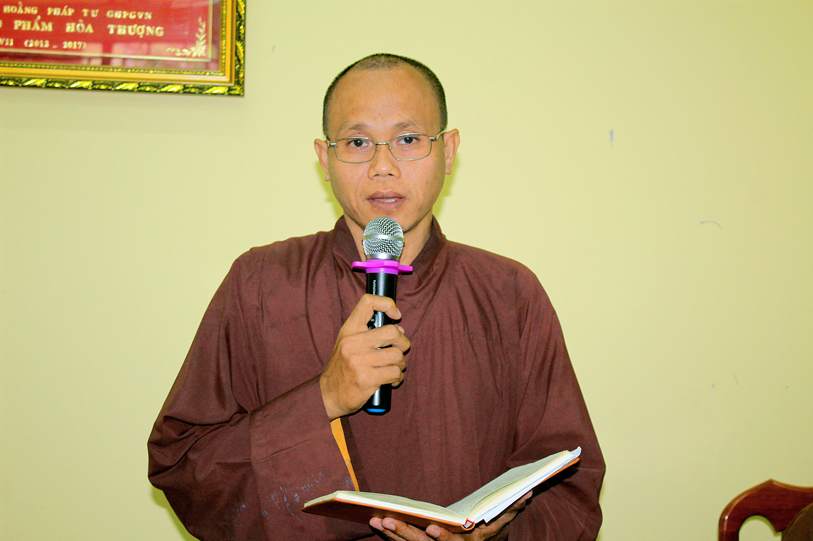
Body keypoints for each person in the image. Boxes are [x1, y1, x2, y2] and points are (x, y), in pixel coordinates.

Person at [148, 53, 605, 541]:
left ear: (448, 151)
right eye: (357, 142)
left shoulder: (509, 292)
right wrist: (325, 396)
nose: (383, 168)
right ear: (325, 159)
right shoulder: (260, 283)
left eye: (408, 140)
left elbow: (569, 483)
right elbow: (183, 465)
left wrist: (492, 535)